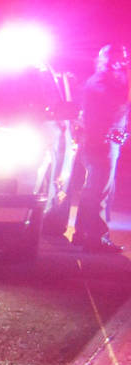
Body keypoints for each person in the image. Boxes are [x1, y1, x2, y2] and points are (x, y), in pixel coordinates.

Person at [69, 44, 128, 252]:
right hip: (101, 143)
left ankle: (82, 233)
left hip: (101, 141)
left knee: (92, 191)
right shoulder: (102, 83)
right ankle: (96, 238)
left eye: (124, 58)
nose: (122, 62)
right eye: (117, 59)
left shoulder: (106, 82)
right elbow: (115, 107)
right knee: (100, 192)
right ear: (105, 60)